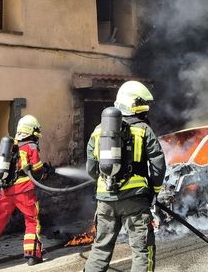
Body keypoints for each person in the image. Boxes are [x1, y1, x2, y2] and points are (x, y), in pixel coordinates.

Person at [84, 81, 167, 272]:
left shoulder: (98, 131)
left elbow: (91, 169)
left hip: (105, 200)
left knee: (100, 249)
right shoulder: (143, 130)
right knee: (142, 250)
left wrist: (106, 181)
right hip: (135, 200)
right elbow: (158, 164)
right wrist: (154, 191)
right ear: (135, 105)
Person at [0, 115, 51, 268]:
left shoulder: (11, 145)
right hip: (24, 192)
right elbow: (37, 169)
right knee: (32, 220)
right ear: (32, 131)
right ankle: (32, 255)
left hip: (5, 192)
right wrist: (45, 171)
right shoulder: (30, 146)